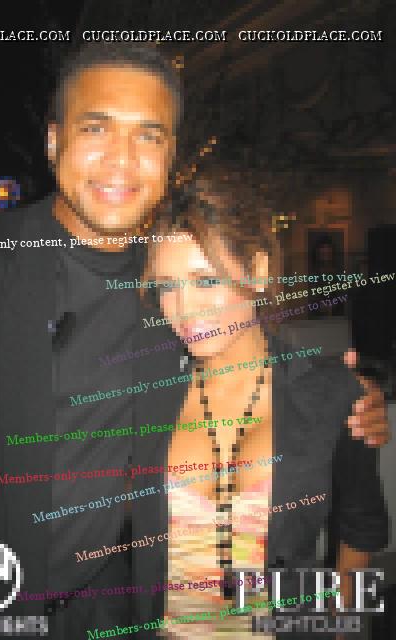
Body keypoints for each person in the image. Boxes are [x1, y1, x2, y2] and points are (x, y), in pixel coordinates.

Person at [0, 44, 388, 637]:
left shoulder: (163, 283)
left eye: (149, 135)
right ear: (54, 142)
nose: (122, 159)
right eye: (96, 128)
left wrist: (345, 392)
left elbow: (240, 329)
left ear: (170, 156)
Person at [138, 169, 389, 638]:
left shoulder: (329, 393)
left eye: (205, 281)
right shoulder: (145, 394)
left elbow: (362, 526)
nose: (183, 309)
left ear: (257, 269)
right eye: (167, 286)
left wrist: (341, 625)